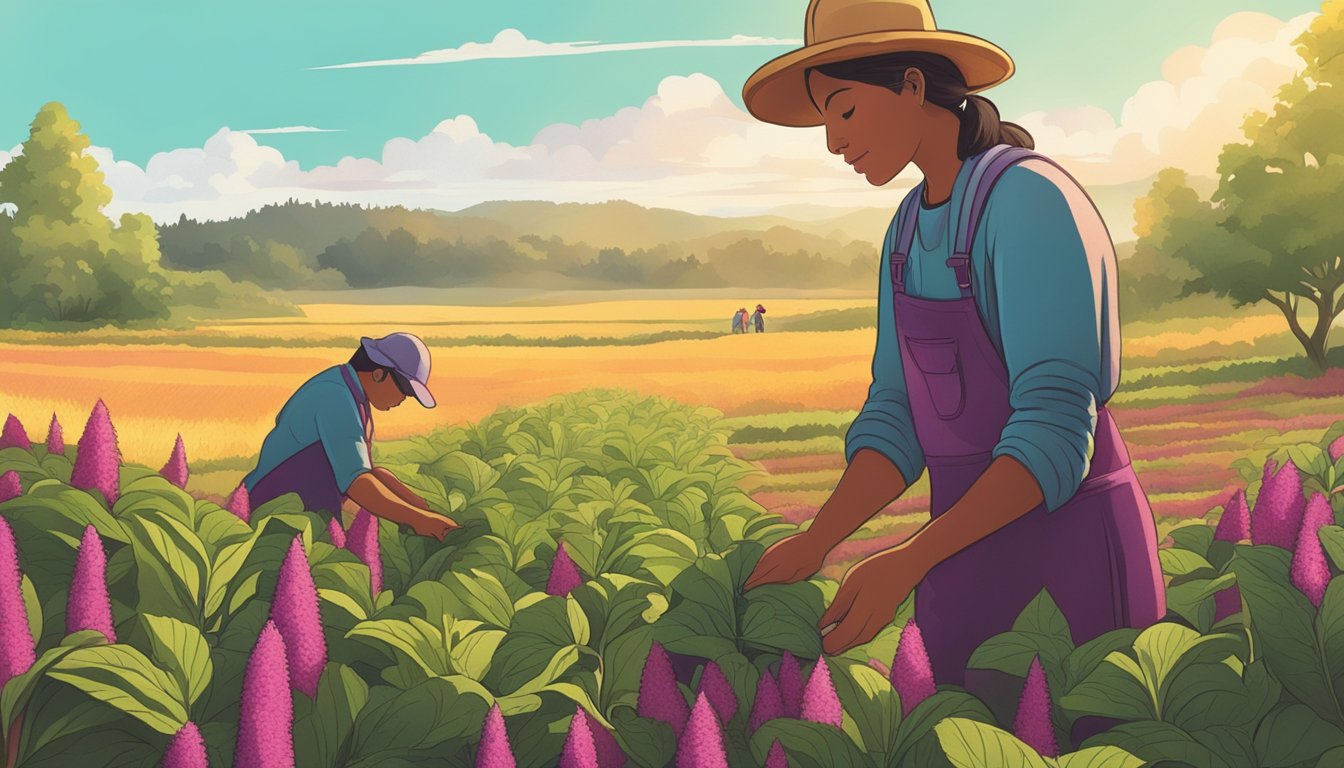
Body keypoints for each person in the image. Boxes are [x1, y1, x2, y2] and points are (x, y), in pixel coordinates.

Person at [739, 0, 1164, 737]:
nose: (834, 142)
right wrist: (820, 538)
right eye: (825, 123)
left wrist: (907, 559)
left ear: (910, 84)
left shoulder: (1032, 202)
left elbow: (1055, 431)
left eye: (843, 111)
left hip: (1068, 561)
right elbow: (897, 419)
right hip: (959, 567)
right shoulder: (906, 232)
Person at [243, 332, 459, 540]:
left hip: (305, 513)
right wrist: (419, 520)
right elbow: (357, 482)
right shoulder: (335, 396)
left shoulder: (350, 391)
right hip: (274, 514)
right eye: (404, 389)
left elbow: (368, 471)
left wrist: (421, 506)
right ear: (378, 373)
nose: (404, 398)